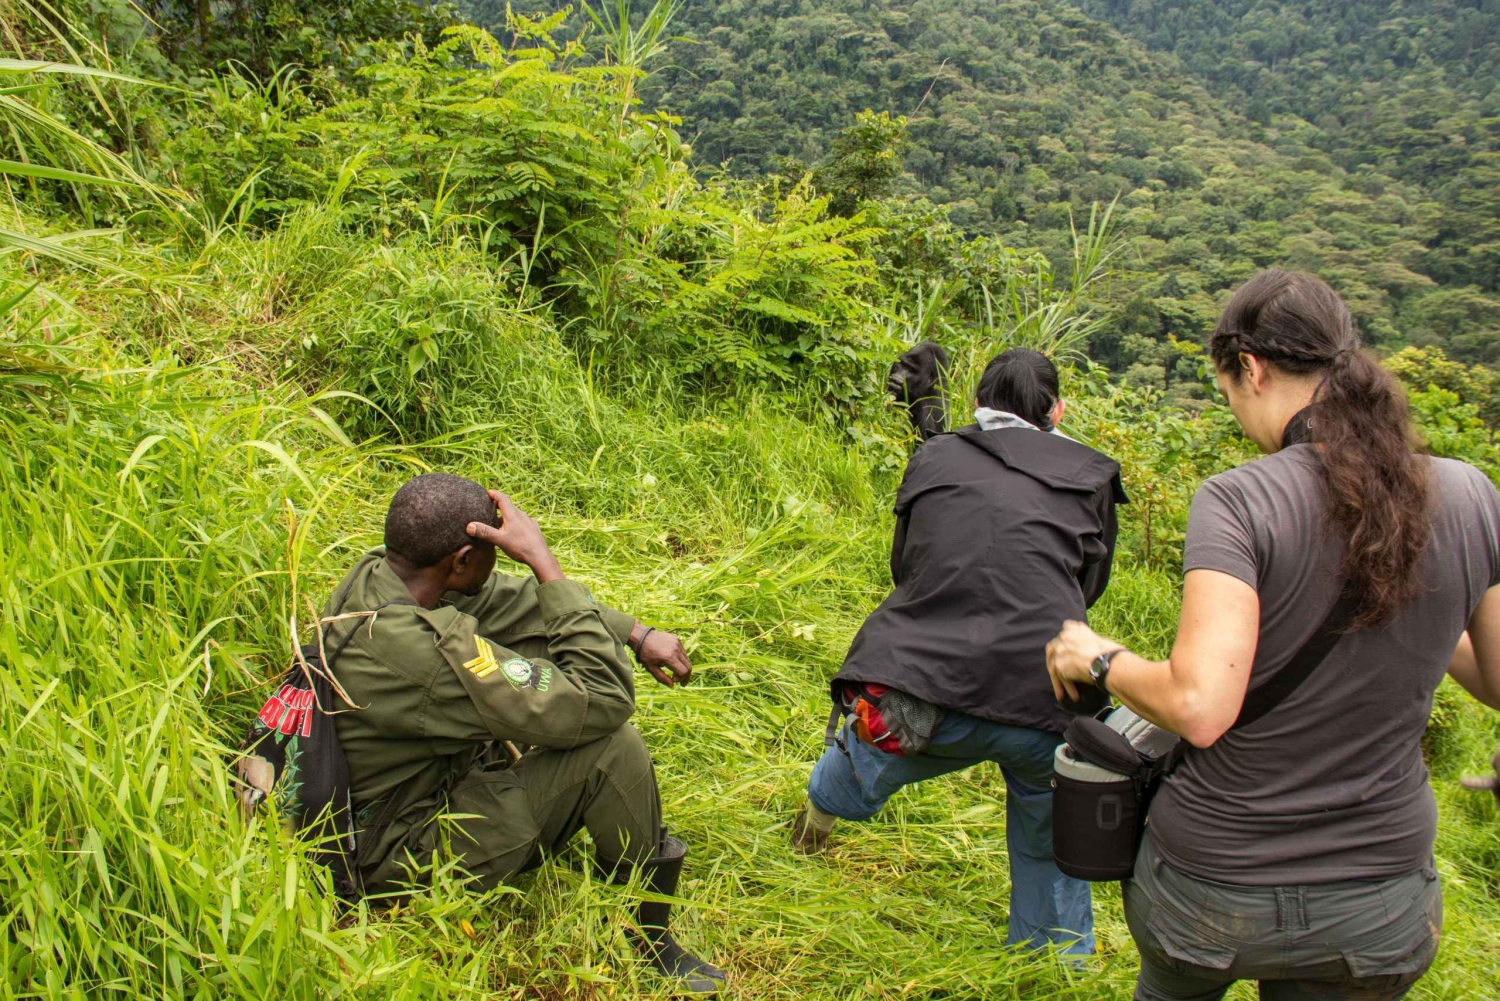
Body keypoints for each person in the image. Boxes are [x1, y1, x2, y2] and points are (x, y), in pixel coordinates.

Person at [1046, 269, 1500, 1001]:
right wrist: (1408, 600)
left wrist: (1095, 654)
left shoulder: (1239, 500)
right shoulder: (1471, 492)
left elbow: (1199, 703)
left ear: (1250, 368)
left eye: (1226, 389)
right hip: (1379, 901)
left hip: (1215, 892)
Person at [324, 473, 725, 995]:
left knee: (547, 651)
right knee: (611, 747)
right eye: (495, 549)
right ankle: (649, 935)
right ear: (462, 559)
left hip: (379, 797)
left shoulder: (382, 576)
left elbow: (508, 603)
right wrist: (544, 562)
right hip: (396, 856)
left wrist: (633, 633)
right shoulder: (429, 657)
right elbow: (602, 699)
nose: (503, 560)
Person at [790, 348, 1127, 960]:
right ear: (1057, 410)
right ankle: (1053, 964)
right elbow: (1087, 590)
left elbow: (905, 565)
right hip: (1048, 702)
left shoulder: (934, 454)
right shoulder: (1093, 473)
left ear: (978, 404)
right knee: (1049, 831)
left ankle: (813, 827)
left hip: (920, 690)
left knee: (862, 759)